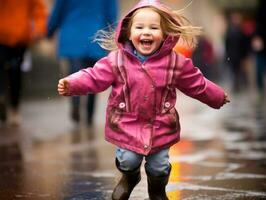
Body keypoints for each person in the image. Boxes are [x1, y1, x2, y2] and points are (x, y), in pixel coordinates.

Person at [58, 0, 230, 199]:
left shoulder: (175, 63)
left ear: (165, 34)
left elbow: (196, 83)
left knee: (159, 166)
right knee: (128, 160)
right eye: (139, 27)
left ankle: (157, 190)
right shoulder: (116, 60)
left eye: (154, 28)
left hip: (161, 126)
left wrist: (217, 96)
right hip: (126, 123)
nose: (146, 32)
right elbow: (94, 76)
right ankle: (129, 178)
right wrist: (72, 84)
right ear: (129, 33)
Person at [47, 0, 118, 125]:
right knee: (96, 76)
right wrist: (114, 37)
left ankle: (75, 102)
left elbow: (57, 12)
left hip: (72, 35)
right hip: (95, 35)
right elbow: (111, 15)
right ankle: (89, 114)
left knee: (74, 71)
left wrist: (50, 31)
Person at [0, 0, 47, 126]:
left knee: (14, 72)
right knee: (15, 72)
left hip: (18, 38)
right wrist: (38, 29)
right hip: (18, 36)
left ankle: (10, 105)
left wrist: (38, 29)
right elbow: (39, 11)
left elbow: (38, 11)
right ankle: (13, 108)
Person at [225, 11, 250, 93]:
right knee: (233, 72)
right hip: (232, 56)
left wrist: (245, 57)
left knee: (239, 72)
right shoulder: (229, 31)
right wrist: (227, 55)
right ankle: (235, 86)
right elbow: (227, 44)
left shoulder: (241, 31)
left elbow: (245, 45)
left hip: (239, 56)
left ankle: (239, 86)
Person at [252, 0, 266, 97]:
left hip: (261, 48)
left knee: (260, 68)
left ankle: (260, 89)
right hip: (261, 49)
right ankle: (260, 89)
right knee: (260, 68)